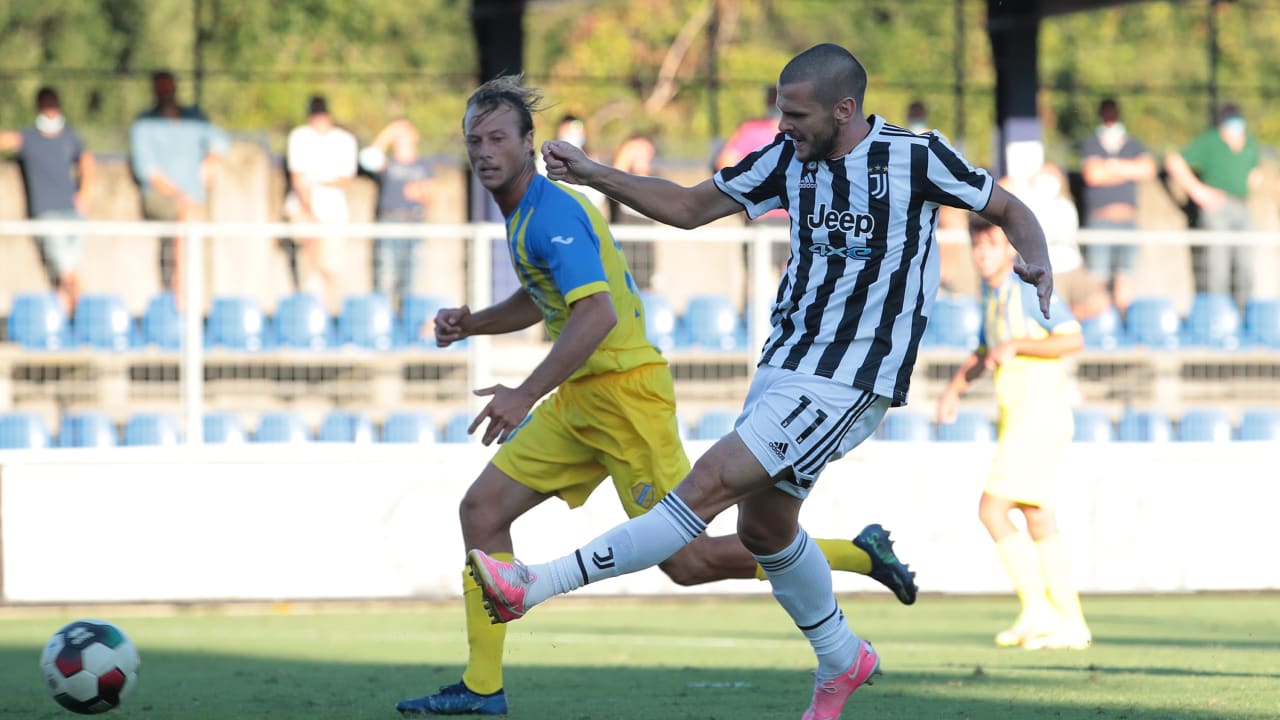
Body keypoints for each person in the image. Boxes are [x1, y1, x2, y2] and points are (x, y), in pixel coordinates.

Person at [467, 44, 1054, 720]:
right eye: (781, 111)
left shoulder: (917, 158)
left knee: (708, 485)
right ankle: (842, 658)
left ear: (844, 109)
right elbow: (689, 207)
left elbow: (1011, 209)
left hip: (851, 376)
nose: (785, 126)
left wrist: (1034, 260)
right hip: (785, 365)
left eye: (797, 114)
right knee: (765, 531)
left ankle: (534, 584)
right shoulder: (786, 158)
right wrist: (598, 174)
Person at [394, 73, 919, 718]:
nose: (483, 150)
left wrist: (523, 393)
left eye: (498, 137)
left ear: (529, 143)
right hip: (580, 400)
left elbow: (597, 317)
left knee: (690, 561)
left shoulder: (553, 211)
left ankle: (854, 553)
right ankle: (481, 688)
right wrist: (475, 323)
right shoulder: (525, 213)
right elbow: (544, 298)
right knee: (482, 512)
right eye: (473, 139)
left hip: (623, 396)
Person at [936, 214, 1091, 651]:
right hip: (1021, 418)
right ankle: (1069, 621)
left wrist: (1020, 344)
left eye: (990, 245)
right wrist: (954, 390)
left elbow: (1072, 340)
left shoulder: (1026, 288)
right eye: (978, 247)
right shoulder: (994, 295)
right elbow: (986, 350)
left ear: (1008, 248)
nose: (983, 254)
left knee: (992, 509)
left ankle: (1038, 609)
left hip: (1040, 418)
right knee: (1038, 518)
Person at [129, 71, 228, 302]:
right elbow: (148, 171)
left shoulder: (195, 117)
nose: (167, 94)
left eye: (169, 88)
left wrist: (211, 161)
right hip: (163, 199)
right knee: (184, 223)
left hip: (194, 200)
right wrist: (181, 197)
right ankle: (180, 298)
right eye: (162, 89)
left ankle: (195, 298)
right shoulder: (144, 125)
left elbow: (220, 140)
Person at [0, 87, 95, 317]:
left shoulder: (70, 137)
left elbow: (87, 161)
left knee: (70, 271)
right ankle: (76, 319)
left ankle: (73, 318)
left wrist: (85, 193)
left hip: (72, 213)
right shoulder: (30, 138)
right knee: (66, 271)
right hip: (47, 214)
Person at [1164, 103, 1263, 312]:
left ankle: (1243, 314)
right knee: (1217, 266)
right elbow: (1174, 161)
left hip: (1242, 206)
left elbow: (1255, 170)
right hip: (1217, 208)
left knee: (1245, 265)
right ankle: (1216, 315)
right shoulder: (1211, 141)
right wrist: (1198, 191)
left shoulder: (1249, 142)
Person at [1000, 145, 1110, 322]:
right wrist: (1028, 177)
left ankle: (1068, 321)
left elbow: (1055, 173)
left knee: (1100, 301)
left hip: (1073, 267)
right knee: (1052, 318)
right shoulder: (1028, 198)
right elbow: (1002, 187)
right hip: (1048, 270)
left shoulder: (1064, 200)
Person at [1079, 99, 1157, 315]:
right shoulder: (1091, 143)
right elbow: (1093, 175)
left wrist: (1110, 166)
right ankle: (1100, 326)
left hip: (1128, 222)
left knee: (1125, 281)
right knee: (1097, 281)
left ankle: (1121, 326)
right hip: (1100, 221)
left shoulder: (1134, 143)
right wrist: (1128, 169)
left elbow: (1148, 169)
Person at [283, 95, 358, 308]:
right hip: (305, 210)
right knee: (310, 265)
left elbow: (345, 179)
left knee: (330, 266)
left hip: (333, 213)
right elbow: (298, 179)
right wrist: (309, 210)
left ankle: (324, 309)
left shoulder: (344, 139)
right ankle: (310, 308)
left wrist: (320, 183)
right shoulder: (300, 137)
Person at [360, 118, 432, 313]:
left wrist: (420, 193)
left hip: (413, 221)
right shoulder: (388, 163)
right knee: (384, 274)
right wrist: (388, 132)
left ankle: (405, 324)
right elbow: (368, 159)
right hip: (389, 221)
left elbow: (430, 196)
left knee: (409, 276)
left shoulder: (423, 165)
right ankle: (383, 321)